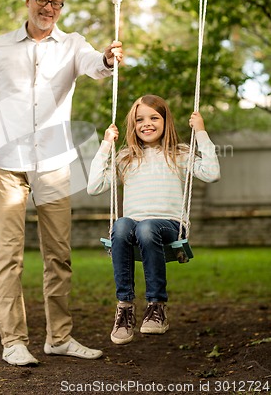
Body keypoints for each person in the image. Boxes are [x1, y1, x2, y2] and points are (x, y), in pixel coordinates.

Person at [0, 0, 123, 366]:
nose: (49, 8)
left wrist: (106, 59)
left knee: (59, 255)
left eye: (56, 3)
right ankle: (14, 342)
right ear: (27, 0)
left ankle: (60, 337)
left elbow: (95, 65)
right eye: (42, 0)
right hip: (7, 167)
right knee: (8, 256)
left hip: (53, 166)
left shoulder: (72, 45)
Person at [87, 94, 220, 345]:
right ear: (132, 125)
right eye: (140, 119)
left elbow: (212, 174)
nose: (146, 123)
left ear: (165, 120)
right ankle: (125, 307)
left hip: (169, 226)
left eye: (153, 117)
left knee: (147, 227)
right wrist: (105, 146)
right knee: (122, 225)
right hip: (133, 228)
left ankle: (156, 306)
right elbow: (94, 187)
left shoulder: (179, 153)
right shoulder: (126, 157)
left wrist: (201, 133)